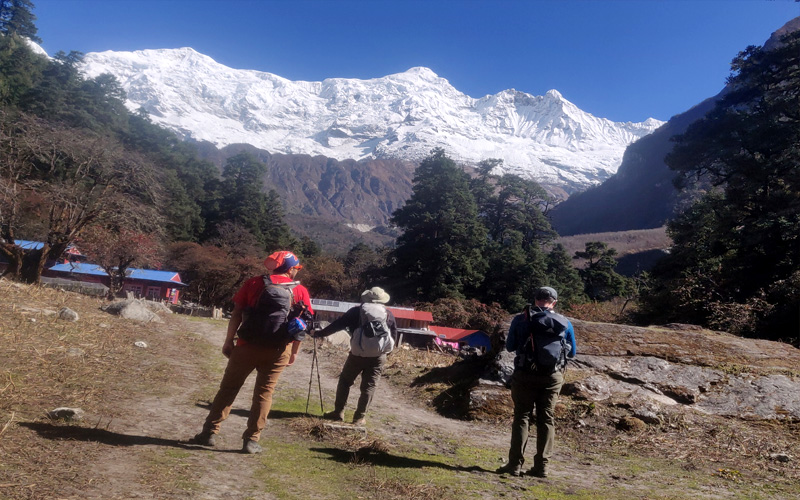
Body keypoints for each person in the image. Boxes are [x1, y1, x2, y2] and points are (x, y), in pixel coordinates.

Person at [190, 251, 313, 454]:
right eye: (296, 269)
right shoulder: (300, 291)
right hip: (278, 349)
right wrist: (294, 352)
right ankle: (251, 440)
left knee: (228, 389)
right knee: (264, 394)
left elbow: (237, 313)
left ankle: (209, 433)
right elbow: (301, 325)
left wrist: (229, 340)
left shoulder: (254, 283)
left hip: (246, 345)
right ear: (291, 269)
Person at [497, 286, 577, 478]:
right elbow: (572, 353)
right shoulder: (565, 322)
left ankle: (514, 465)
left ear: (535, 299)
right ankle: (542, 467)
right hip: (551, 376)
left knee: (522, 417)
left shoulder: (521, 319)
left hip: (524, 374)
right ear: (554, 302)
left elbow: (509, 347)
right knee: (546, 419)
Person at [312, 286, 398, 426]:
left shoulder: (356, 312)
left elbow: (337, 325)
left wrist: (319, 334)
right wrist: (386, 353)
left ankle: (338, 412)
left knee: (345, 381)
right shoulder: (388, 314)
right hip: (378, 356)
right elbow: (393, 335)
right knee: (369, 387)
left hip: (357, 354)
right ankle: (359, 418)